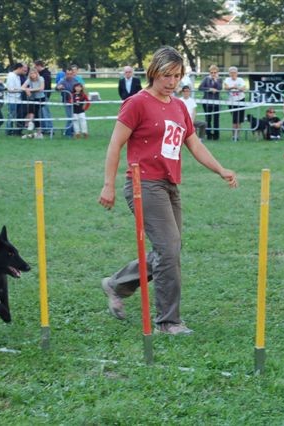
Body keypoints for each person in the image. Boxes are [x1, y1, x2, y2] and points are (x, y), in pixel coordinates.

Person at [98, 46, 238, 335]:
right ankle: (169, 321)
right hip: (143, 184)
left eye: (177, 76)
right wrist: (108, 184)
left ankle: (116, 284)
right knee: (169, 249)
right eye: (167, 75)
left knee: (168, 250)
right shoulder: (137, 103)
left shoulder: (179, 106)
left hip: (169, 184)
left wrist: (220, 169)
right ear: (153, 73)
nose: (172, 82)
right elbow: (115, 144)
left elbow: (194, 144)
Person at [197, 64, 222, 140]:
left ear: (217, 72)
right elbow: (200, 88)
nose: (213, 74)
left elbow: (220, 88)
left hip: (216, 101)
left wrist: (216, 81)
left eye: (215, 72)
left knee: (216, 119)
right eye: (212, 72)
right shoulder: (206, 79)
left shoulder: (219, 79)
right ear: (209, 73)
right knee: (208, 119)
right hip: (207, 102)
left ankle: (216, 135)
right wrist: (209, 89)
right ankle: (208, 134)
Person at [21, 68, 46, 139]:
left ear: (36, 73)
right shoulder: (29, 80)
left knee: (35, 112)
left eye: (34, 73)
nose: (32, 75)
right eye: (31, 74)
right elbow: (22, 87)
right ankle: (33, 126)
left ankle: (34, 127)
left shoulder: (41, 78)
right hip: (33, 98)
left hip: (41, 98)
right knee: (31, 111)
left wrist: (30, 90)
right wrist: (26, 90)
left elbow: (41, 88)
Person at [223, 66, 247, 141]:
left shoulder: (240, 80)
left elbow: (243, 88)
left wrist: (237, 88)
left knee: (239, 120)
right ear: (229, 73)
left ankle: (237, 136)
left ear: (237, 73)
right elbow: (226, 87)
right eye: (231, 73)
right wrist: (233, 87)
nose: (233, 74)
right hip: (231, 101)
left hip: (241, 100)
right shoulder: (227, 79)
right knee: (234, 119)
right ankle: (234, 136)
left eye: (234, 72)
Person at [56, 67, 79, 137]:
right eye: (67, 74)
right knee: (70, 117)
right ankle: (68, 133)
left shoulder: (75, 80)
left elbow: (79, 89)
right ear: (65, 74)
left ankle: (72, 131)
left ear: (73, 74)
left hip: (75, 101)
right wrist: (58, 87)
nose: (69, 75)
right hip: (66, 101)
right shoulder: (62, 81)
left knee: (74, 117)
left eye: (70, 74)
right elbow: (56, 87)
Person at [34, 60, 54, 135]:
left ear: (39, 66)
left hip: (44, 95)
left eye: (35, 67)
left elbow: (45, 86)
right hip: (41, 95)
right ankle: (44, 128)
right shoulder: (44, 74)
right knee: (41, 112)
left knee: (45, 112)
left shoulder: (45, 75)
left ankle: (49, 128)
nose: (34, 68)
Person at [5, 63, 25, 135]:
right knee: (11, 115)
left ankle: (17, 130)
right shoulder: (11, 76)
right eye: (22, 69)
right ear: (19, 68)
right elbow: (10, 89)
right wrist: (21, 90)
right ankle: (8, 130)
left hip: (18, 99)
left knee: (17, 115)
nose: (23, 71)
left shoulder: (18, 76)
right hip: (12, 99)